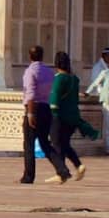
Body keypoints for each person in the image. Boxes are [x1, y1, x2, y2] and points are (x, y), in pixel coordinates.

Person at [18, 46, 70, 184]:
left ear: (30, 56)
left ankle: (28, 176)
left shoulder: (30, 72)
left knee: (29, 144)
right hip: (46, 109)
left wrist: (30, 114)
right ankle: (62, 169)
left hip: (34, 109)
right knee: (45, 143)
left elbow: (30, 93)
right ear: (42, 56)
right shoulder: (49, 72)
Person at [49, 52, 98, 182]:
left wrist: (50, 114)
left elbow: (54, 100)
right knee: (64, 144)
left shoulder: (59, 78)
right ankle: (78, 165)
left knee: (57, 143)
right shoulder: (74, 79)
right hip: (73, 117)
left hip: (60, 117)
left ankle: (62, 173)